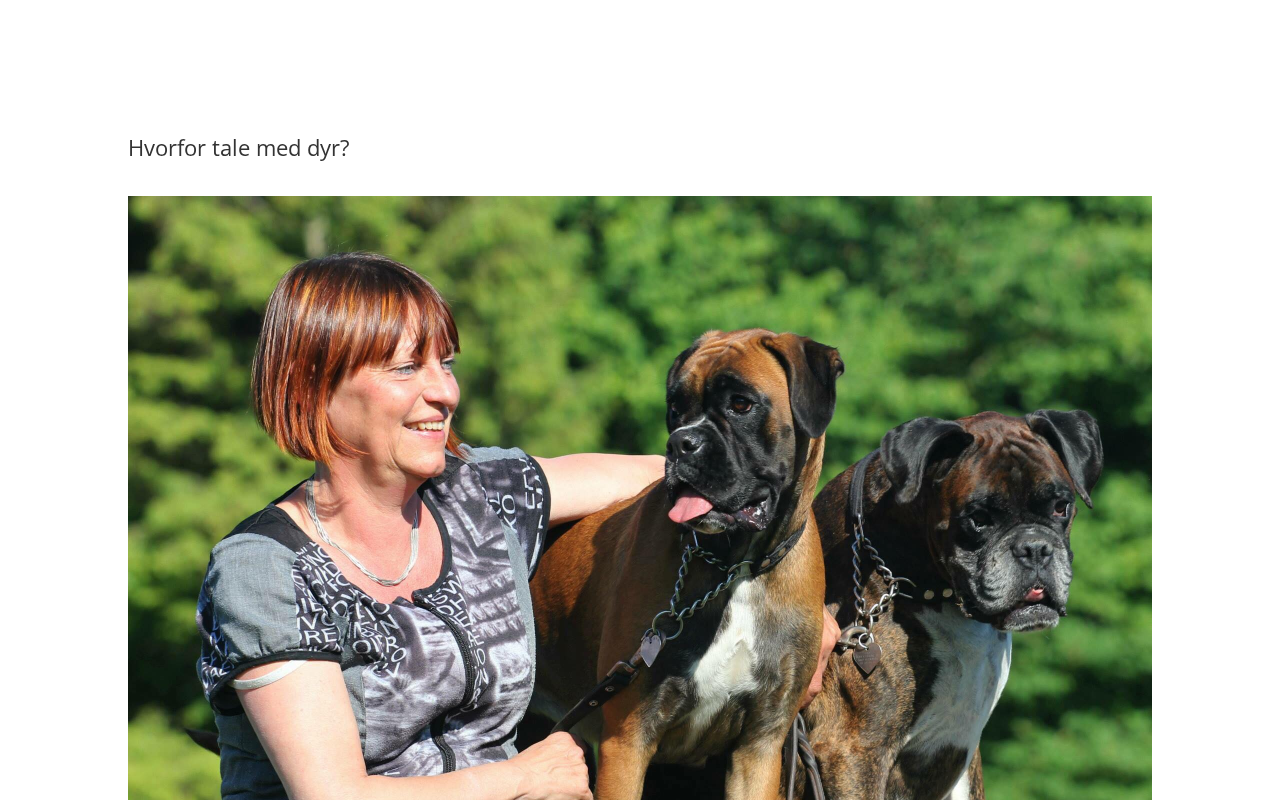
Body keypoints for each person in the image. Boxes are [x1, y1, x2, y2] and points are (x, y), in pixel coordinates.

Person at [196, 253, 837, 800]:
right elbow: (332, 794)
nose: (444, 392)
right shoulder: (265, 568)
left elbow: (671, 475)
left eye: (446, 364)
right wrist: (517, 777)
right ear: (312, 385)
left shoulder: (484, 492)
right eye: (407, 367)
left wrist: (788, 592)